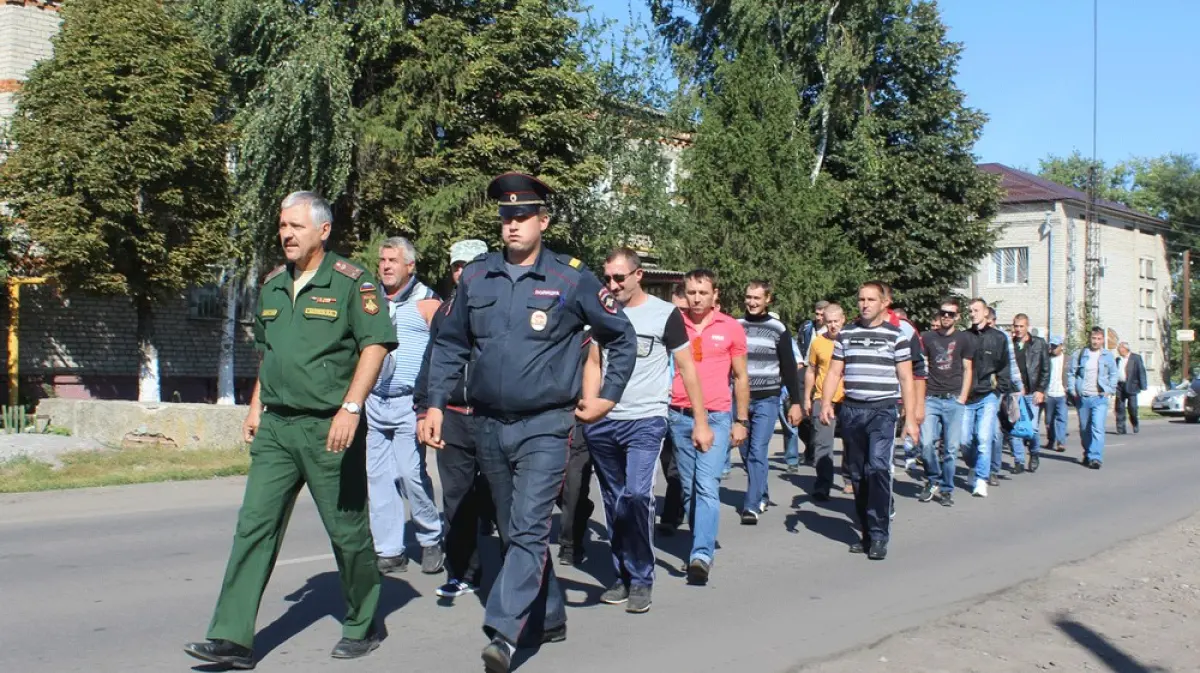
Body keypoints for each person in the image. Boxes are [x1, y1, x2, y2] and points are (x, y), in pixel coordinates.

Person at [420, 173, 637, 673]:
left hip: (547, 423)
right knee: (514, 527)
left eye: (522, 217)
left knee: (528, 525)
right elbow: (450, 344)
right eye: (505, 217)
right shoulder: (476, 276)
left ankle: (503, 631)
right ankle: (551, 613)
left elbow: (619, 337)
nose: (512, 225)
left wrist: (607, 397)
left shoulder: (571, 278)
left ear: (543, 220)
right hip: (487, 423)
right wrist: (434, 404)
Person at [184, 192, 397, 668]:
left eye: (296, 226)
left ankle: (363, 622)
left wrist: (351, 407)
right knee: (253, 527)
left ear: (323, 231)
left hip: (330, 428)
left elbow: (376, 346)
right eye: (282, 225)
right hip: (278, 427)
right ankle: (231, 638)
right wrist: (256, 407)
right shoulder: (273, 284)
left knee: (346, 533)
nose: (286, 234)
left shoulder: (352, 283)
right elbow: (270, 353)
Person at [582, 248, 712, 614]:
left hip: (646, 419)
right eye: (608, 277)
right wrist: (590, 406)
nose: (613, 284)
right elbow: (594, 362)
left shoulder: (665, 313)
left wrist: (701, 422)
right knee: (613, 500)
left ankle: (641, 577)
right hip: (605, 421)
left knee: (637, 495)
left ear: (638, 275)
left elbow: (687, 369)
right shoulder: (603, 311)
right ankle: (621, 573)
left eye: (620, 277)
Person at [414, 238, 495, 600]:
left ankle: (517, 575)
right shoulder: (446, 313)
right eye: (456, 266)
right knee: (457, 498)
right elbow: (432, 362)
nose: (462, 272)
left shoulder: (502, 309)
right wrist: (422, 408)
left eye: (469, 264)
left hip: (495, 418)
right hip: (453, 417)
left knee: (499, 498)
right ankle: (464, 572)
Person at [818, 281, 918, 561]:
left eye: (870, 299)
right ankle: (865, 530)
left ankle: (879, 534)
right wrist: (826, 403)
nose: (864, 304)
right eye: (861, 299)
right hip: (852, 410)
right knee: (858, 473)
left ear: (884, 303)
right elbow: (835, 371)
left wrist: (910, 418)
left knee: (878, 469)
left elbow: (906, 378)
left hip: (882, 411)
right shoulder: (847, 333)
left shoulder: (896, 336)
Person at [366, 236, 445, 575]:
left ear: (409, 266)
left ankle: (430, 539)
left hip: (409, 403)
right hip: (374, 400)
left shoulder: (428, 302)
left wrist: (430, 403)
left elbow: (443, 352)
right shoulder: (370, 302)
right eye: (382, 260)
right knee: (378, 476)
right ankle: (390, 550)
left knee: (411, 475)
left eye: (393, 261)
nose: (385, 266)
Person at [667, 269, 749, 585]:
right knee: (688, 487)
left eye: (703, 292)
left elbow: (741, 377)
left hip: (716, 415)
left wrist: (741, 421)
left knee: (706, 483)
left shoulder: (730, 328)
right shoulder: (674, 324)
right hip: (679, 414)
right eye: (691, 292)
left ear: (715, 294)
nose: (697, 298)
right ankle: (700, 537)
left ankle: (701, 554)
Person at [737, 281, 804, 524]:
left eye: (757, 298)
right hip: (740, 400)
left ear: (768, 300)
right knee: (744, 450)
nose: (752, 302)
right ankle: (762, 492)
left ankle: (751, 505)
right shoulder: (736, 326)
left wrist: (796, 402)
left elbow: (788, 367)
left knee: (757, 451)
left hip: (768, 398)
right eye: (748, 298)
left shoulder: (778, 329)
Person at [916, 299, 974, 507]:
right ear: (939, 315)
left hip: (953, 399)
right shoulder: (928, 337)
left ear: (957, 317)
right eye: (943, 313)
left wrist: (963, 397)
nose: (947, 316)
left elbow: (968, 368)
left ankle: (947, 488)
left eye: (951, 314)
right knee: (926, 444)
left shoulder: (964, 339)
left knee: (950, 448)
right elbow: (921, 367)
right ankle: (932, 480)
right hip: (931, 398)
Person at [961, 299, 1014, 498]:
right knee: (965, 440)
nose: (972, 314)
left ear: (985, 313)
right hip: (967, 396)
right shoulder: (964, 337)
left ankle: (981, 480)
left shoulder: (998, 338)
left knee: (984, 437)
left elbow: (1004, 366)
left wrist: (999, 389)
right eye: (970, 311)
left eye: (976, 310)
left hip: (988, 395)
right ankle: (974, 466)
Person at [802, 303, 846, 501]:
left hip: (848, 399)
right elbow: (811, 370)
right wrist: (806, 398)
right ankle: (822, 485)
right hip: (822, 398)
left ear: (843, 320)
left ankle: (850, 479)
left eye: (836, 321)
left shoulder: (850, 341)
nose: (833, 326)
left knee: (852, 444)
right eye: (829, 322)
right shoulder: (818, 343)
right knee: (823, 444)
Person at [657, 285, 690, 536]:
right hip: (659, 404)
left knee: (676, 465)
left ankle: (670, 514)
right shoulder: (662, 332)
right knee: (667, 459)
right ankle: (681, 501)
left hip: (682, 406)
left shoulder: (690, 337)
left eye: (682, 311)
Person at [1068, 327, 1119, 469]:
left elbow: (1114, 374)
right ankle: (1087, 452)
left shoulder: (1107, 356)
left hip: (1099, 398)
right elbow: (1072, 373)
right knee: (1085, 429)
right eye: (1093, 338)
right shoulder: (1080, 354)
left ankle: (1096, 457)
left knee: (1097, 427)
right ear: (1089, 339)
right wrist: (1072, 390)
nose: (1095, 341)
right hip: (1083, 397)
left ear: (1103, 340)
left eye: (1098, 339)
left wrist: (1109, 389)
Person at [1009, 313, 1049, 473]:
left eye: (1021, 326)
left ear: (1027, 327)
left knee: (1031, 428)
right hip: (1015, 393)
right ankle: (1019, 460)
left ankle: (1034, 453)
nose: (1018, 330)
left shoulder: (1038, 344)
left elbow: (1046, 369)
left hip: (1033, 392)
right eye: (1016, 326)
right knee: (1015, 427)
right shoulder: (1010, 345)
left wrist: (1041, 390)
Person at [1114, 342, 1148, 434]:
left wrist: (1143, 385)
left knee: (1132, 408)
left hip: (1132, 386)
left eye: (1119, 348)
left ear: (1125, 349)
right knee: (1119, 408)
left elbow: (1141, 371)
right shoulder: (1117, 359)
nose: (1118, 350)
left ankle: (1135, 423)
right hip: (1119, 387)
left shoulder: (1135, 358)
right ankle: (1121, 429)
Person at [1044, 336, 1070, 452]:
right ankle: (1051, 440)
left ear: (1061, 346)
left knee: (1061, 418)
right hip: (1049, 393)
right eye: (1052, 346)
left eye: (1055, 346)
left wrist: (1069, 388)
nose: (1053, 348)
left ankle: (1061, 442)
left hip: (1061, 394)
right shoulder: (1047, 359)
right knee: (1049, 420)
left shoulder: (1067, 360)